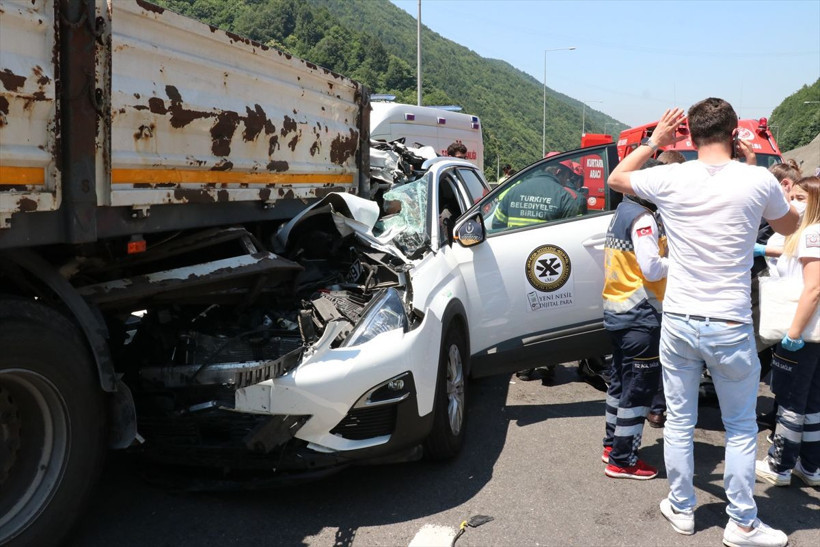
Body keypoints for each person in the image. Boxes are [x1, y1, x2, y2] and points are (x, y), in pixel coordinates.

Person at [608, 98, 798, 546]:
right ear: (735, 134)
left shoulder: (671, 175)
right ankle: (742, 522)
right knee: (740, 427)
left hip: (678, 318)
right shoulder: (756, 181)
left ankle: (681, 507)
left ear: (688, 136)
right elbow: (789, 226)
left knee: (678, 420)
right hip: (729, 321)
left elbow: (617, 179)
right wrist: (758, 177)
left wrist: (654, 142)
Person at [601, 157, 668, 479]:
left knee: (619, 381)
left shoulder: (622, 211)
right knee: (639, 389)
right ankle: (623, 459)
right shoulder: (644, 219)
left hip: (617, 310)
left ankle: (611, 444)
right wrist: (681, 263)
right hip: (640, 315)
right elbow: (652, 267)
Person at [755, 175, 820, 488]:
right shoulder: (808, 234)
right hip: (813, 334)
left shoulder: (811, 234)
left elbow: (813, 288)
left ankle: (779, 465)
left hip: (803, 331)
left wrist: (793, 333)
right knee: (812, 401)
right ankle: (810, 465)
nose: (792, 202)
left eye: (799, 197)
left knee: (792, 399)